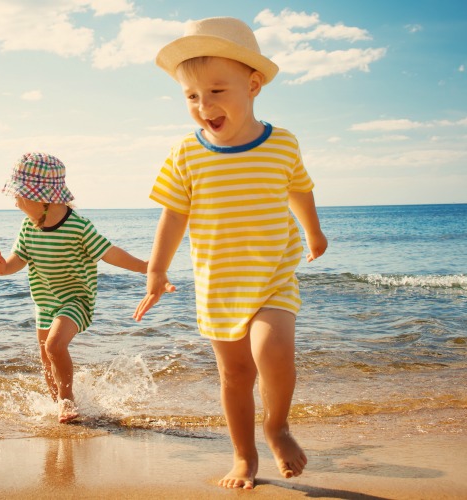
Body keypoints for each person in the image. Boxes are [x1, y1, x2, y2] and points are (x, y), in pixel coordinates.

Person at [132, 17, 329, 489]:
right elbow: (173, 216)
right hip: (218, 285)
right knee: (235, 375)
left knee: (273, 352)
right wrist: (157, 269)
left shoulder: (281, 143)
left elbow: (300, 190)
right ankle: (243, 457)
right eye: (192, 96)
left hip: (273, 277)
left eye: (217, 91)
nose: (204, 106)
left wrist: (314, 233)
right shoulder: (186, 154)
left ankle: (276, 426)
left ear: (253, 84)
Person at [0, 152, 161, 423]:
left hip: (76, 299)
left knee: (54, 346)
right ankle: (59, 408)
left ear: (40, 197)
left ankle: (67, 402)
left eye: (18, 196)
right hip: (45, 301)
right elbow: (17, 259)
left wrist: (147, 267)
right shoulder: (29, 227)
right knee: (47, 360)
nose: (16, 203)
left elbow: (109, 253)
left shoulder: (78, 226)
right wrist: (2, 268)